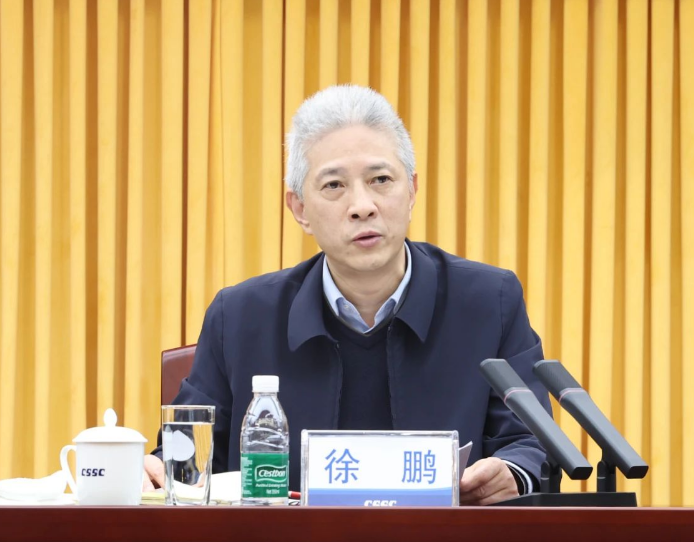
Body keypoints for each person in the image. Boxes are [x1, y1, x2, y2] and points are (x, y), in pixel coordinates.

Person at [144, 85, 551, 505]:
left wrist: (514, 473)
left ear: (412, 190)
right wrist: (152, 472)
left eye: (381, 180)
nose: (362, 205)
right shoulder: (240, 318)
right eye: (334, 185)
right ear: (300, 209)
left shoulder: (489, 302)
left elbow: (532, 443)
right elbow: (183, 463)